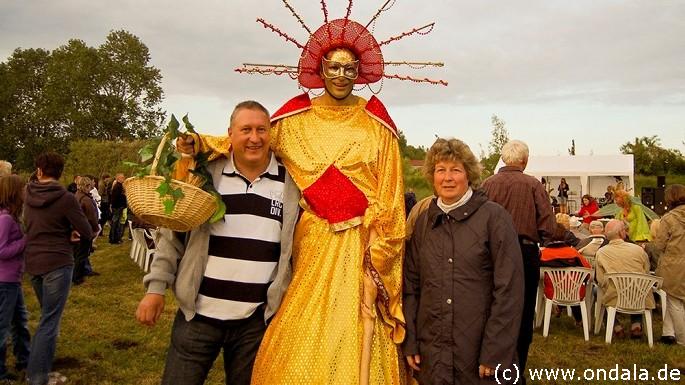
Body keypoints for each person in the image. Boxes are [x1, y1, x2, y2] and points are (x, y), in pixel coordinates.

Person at [179, 48, 408, 385]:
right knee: (304, 321)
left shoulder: (377, 125)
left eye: (349, 68)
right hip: (313, 243)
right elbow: (248, 139)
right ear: (321, 69)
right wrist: (199, 142)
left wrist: (378, 261)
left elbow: (390, 200)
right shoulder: (294, 119)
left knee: (355, 328)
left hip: (361, 246)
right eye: (334, 67)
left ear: (360, 71)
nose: (342, 75)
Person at [136, 101, 300, 384]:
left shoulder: (290, 185)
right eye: (245, 129)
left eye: (262, 129)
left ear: (270, 134)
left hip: (254, 324)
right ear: (230, 134)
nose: (254, 137)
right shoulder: (206, 176)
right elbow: (173, 234)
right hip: (198, 318)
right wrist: (156, 288)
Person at [403, 138, 523, 384]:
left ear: (468, 174)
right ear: (432, 176)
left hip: (479, 355)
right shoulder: (424, 222)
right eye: (441, 170)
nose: (447, 178)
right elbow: (411, 286)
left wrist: (496, 352)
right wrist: (411, 341)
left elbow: (509, 290)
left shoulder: (494, 219)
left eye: (455, 170)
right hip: (432, 356)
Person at [481, 139, 555, 385]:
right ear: (525, 161)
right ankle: (516, 371)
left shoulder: (487, 185)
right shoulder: (534, 185)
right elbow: (548, 226)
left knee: (490, 308)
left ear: (503, 159)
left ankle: (489, 365)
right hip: (524, 253)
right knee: (522, 313)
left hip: (490, 253)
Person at [23, 152, 93, 385]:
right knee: (49, 322)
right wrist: (70, 233)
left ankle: (36, 368)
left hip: (33, 264)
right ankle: (38, 376)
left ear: (39, 171)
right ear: (61, 173)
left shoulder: (27, 193)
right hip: (57, 263)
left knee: (46, 319)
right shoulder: (66, 198)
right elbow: (86, 230)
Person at [595, 219, 654, 339]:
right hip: (640, 296)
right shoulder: (638, 250)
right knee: (637, 285)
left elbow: (600, 280)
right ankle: (636, 325)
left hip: (614, 296)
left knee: (597, 292)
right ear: (622, 233)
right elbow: (646, 272)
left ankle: (616, 326)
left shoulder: (601, 252)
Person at [0, 175, 30, 382]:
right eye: (23, 189)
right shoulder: (5, 219)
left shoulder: (11, 217)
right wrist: (26, 241)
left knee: (20, 321)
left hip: (13, 280)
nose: (25, 192)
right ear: (13, 192)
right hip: (4, 282)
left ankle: (24, 358)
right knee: (2, 326)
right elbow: (1, 250)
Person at [540, 223, 592, 326]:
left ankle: (552, 310)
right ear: (564, 235)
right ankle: (579, 319)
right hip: (575, 292)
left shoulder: (543, 254)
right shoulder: (573, 253)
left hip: (551, 292)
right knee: (571, 286)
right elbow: (588, 272)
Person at [654, 184, 685, 346]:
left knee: (674, 302)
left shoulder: (669, 218)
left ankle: (682, 339)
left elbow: (659, 245)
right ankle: (668, 333)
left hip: (674, 265)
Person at [72, 176, 100, 285]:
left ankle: (83, 272)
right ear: (87, 186)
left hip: (77, 229)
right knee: (82, 254)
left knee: (78, 253)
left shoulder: (76, 196)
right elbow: (91, 217)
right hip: (85, 229)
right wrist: (95, 228)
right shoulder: (86, 199)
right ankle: (77, 278)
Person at [108, 173, 127, 244]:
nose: (123, 179)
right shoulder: (117, 187)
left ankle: (115, 238)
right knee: (115, 223)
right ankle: (113, 238)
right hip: (117, 207)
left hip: (118, 207)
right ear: (118, 178)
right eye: (122, 178)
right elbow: (116, 198)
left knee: (116, 222)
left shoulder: (119, 186)